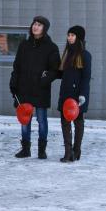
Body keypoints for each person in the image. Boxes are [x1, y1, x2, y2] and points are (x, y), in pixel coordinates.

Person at [9, 16, 60, 159]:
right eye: (34, 24)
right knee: (25, 120)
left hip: (40, 90)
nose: (35, 26)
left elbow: (55, 70)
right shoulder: (24, 45)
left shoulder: (51, 47)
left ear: (44, 28)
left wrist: (44, 80)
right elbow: (16, 67)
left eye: (39, 25)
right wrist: (13, 83)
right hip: (24, 89)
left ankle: (41, 150)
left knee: (42, 120)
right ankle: (26, 149)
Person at [57, 25, 92, 162]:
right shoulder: (66, 53)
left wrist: (82, 94)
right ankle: (68, 152)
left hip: (78, 95)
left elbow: (86, 77)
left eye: (72, 35)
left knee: (78, 122)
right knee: (65, 122)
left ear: (79, 38)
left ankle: (76, 150)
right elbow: (61, 74)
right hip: (65, 93)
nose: (69, 37)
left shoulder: (85, 55)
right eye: (68, 35)